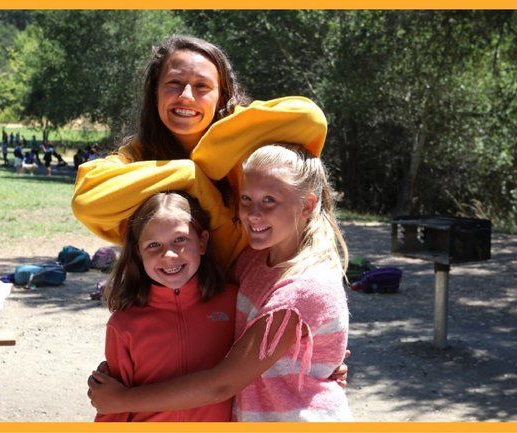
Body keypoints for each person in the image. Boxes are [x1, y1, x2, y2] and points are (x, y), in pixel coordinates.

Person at [72, 35, 348, 390]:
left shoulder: (247, 143)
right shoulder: (136, 157)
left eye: (202, 86)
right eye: (173, 84)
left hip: (244, 323)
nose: (186, 96)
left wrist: (205, 158)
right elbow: (86, 201)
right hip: (168, 318)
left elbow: (310, 118)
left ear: (223, 95)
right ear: (155, 93)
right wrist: (189, 176)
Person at [88, 143, 351, 421]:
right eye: (246, 199)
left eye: (269, 200)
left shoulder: (304, 288)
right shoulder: (253, 261)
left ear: (307, 205)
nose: (252, 213)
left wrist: (122, 400)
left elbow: (222, 384)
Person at [94, 191, 236, 422]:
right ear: (138, 253)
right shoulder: (124, 324)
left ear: (202, 242)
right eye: (153, 244)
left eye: (180, 239)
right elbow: (111, 405)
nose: (168, 254)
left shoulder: (233, 302)